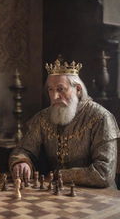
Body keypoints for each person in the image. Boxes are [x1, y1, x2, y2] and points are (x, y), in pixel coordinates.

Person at [9, 58, 120, 188]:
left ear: (78, 89)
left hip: (99, 198)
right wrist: (22, 162)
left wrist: (60, 175)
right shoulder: (43, 118)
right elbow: (23, 150)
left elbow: (104, 173)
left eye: (60, 89)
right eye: (51, 89)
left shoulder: (101, 118)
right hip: (58, 193)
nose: (54, 96)